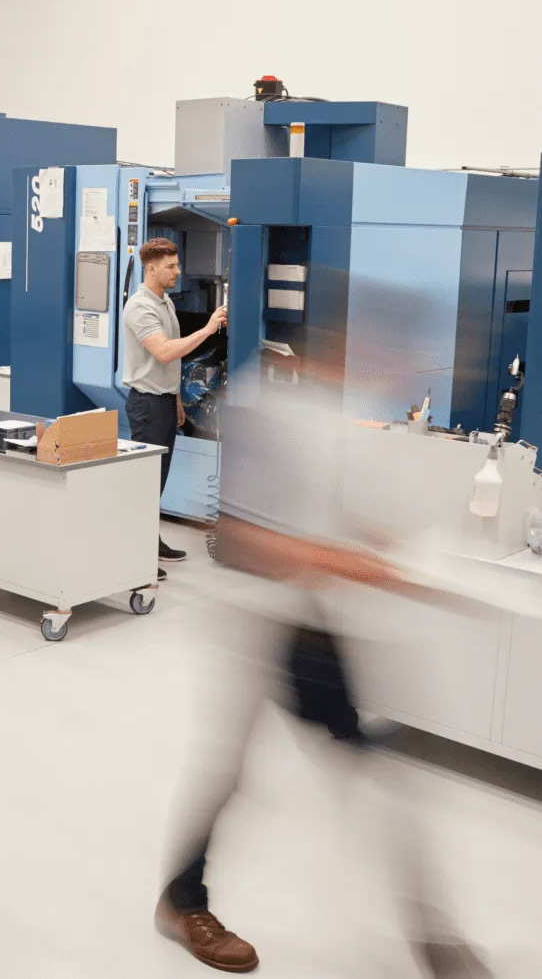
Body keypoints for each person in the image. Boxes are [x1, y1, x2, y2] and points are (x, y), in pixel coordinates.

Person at [155, 330, 493, 977]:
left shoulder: (329, 420)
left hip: (304, 626)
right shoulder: (260, 409)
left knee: (364, 767)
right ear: (331, 349)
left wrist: (403, 553)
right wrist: (368, 568)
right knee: (242, 771)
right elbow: (248, 537)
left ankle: (431, 930)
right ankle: (182, 900)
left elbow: (326, 511)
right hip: (255, 624)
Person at [122, 238, 227, 579]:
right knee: (143, 483)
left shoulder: (164, 302)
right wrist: (209, 329)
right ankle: (136, 554)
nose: (177, 271)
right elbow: (165, 352)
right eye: (171, 266)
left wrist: (178, 399)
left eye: (177, 265)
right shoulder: (140, 308)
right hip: (147, 405)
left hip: (165, 402)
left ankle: (150, 542)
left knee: (158, 481)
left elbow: (172, 365)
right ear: (151, 268)